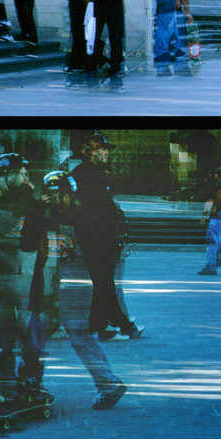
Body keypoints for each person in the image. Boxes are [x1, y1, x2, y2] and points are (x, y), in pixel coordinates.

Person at [40, 170, 127, 409]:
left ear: (69, 194)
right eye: (50, 195)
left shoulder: (79, 216)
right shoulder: (62, 214)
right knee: (58, 333)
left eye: (58, 195)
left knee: (79, 334)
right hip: (64, 283)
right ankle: (106, 383)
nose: (54, 200)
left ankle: (108, 383)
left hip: (77, 284)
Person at [0, 153, 47, 403]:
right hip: (4, 278)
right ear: (8, 176)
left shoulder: (26, 204)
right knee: (6, 334)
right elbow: (11, 230)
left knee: (23, 332)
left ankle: (22, 381)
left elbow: (31, 240)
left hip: (18, 277)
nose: (26, 177)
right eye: (21, 173)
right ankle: (13, 383)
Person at [69, 131, 144, 341]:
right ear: (88, 152)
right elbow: (93, 207)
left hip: (100, 235)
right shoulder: (84, 174)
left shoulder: (94, 173)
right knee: (103, 281)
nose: (106, 153)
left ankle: (115, 323)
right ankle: (105, 328)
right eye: (101, 149)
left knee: (104, 281)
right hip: (96, 236)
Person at [85, 0, 126, 91]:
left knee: (94, 36)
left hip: (99, 5)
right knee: (116, 38)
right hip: (115, 6)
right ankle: (115, 67)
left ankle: (91, 65)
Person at [154, 0, 191, 76]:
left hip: (162, 1)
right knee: (165, 28)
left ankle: (176, 50)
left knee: (172, 26)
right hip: (168, 1)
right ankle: (161, 54)